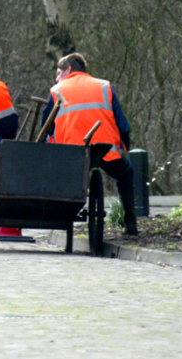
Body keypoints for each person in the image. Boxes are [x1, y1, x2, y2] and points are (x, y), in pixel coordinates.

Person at [41, 53, 138, 235]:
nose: (56, 78)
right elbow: (124, 126)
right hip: (105, 149)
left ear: (68, 69)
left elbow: (45, 127)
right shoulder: (104, 87)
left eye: (58, 72)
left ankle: (63, 214)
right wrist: (124, 147)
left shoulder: (56, 90)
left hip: (70, 153)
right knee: (125, 173)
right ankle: (130, 221)